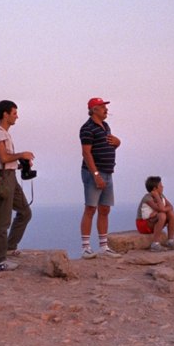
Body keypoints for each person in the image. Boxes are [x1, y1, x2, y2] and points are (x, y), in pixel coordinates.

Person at [0, 100, 34, 270]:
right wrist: (22, 154)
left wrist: (21, 164)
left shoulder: (5, 134)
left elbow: (8, 160)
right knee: (2, 220)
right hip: (3, 177)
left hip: (11, 175)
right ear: (5, 114)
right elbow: (3, 158)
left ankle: (10, 247)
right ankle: (0, 260)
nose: (17, 116)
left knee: (25, 212)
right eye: (14, 113)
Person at [79, 97, 122, 259]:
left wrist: (118, 142)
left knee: (105, 209)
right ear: (94, 109)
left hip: (108, 172)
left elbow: (110, 144)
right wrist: (95, 174)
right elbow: (86, 152)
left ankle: (104, 247)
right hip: (94, 173)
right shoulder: (87, 128)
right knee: (90, 208)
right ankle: (86, 248)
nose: (106, 109)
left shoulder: (105, 126)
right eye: (102, 106)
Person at [135, 176, 174, 252]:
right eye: (160, 186)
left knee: (171, 213)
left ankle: (170, 241)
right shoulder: (147, 198)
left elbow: (171, 206)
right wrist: (157, 199)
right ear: (155, 189)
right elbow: (162, 209)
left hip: (153, 220)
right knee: (162, 215)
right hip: (143, 224)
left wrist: (158, 211)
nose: (163, 187)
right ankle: (155, 244)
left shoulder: (162, 196)